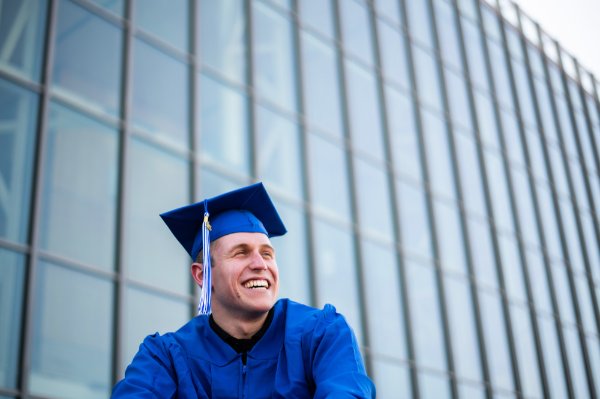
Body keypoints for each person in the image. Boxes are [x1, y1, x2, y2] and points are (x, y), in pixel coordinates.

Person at [111, 182, 375, 398]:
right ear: (203, 275)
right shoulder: (166, 357)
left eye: (267, 254)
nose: (260, 264)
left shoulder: (321, 335)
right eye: (241, 253)